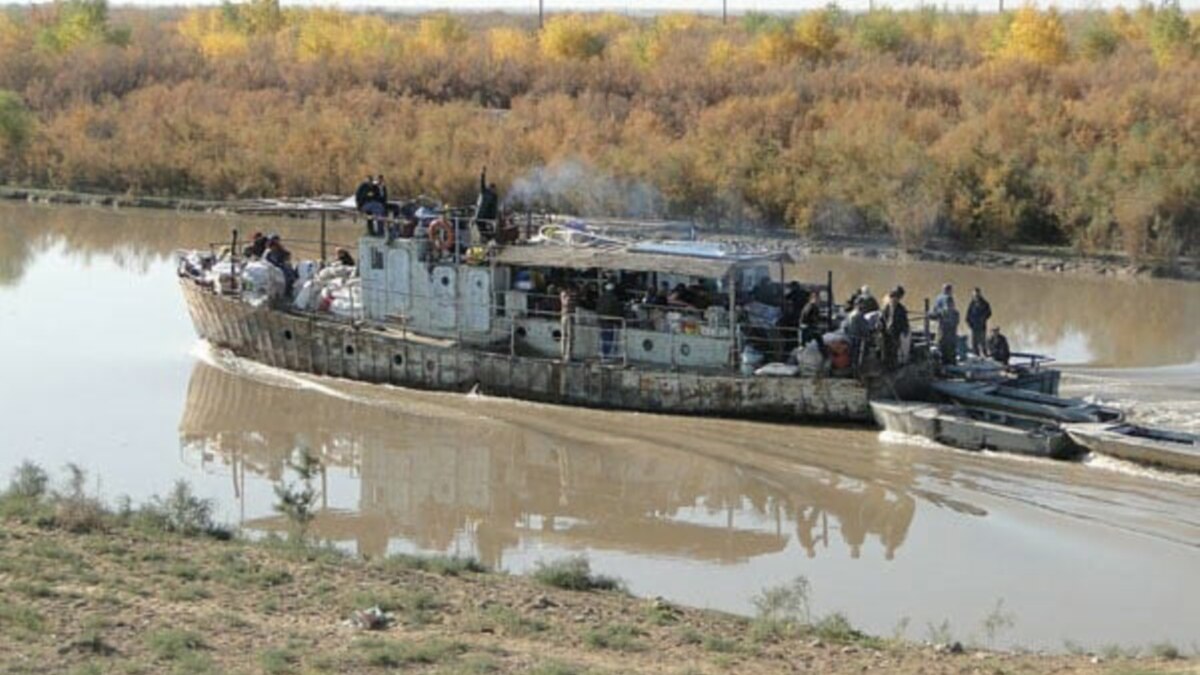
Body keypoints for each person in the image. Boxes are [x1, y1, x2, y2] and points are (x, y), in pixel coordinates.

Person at [881, 286, 910, 370]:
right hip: (885, 332)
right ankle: (885, 365)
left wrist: (905, 329)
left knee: (894, 349)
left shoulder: (901, 309)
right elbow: (882, 318)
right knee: (885, 350)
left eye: (897, 298)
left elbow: (904, 321)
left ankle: (892, 366)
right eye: (893, 297)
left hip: (895, 331)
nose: (894, 300)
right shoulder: (886, 307)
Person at [597, 282, 623, 360]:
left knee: (604, 338)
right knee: (609, 338)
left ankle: (604, 355)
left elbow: (598, 309)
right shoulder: (614, 298)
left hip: (602, 320)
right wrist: (618, 320)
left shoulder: (601, 297)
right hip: (610, 321)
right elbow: (616, 310)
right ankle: (607, 355)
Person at [841, 299, 870, 371]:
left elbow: (845, 326)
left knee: (851, 354)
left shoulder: (850, 314)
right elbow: (864, 328)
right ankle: (857, 369)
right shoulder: (859, 315)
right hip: (857, 338)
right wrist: (868, 334)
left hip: (849, 336)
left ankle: (851, 367)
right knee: (858, 355)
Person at [966, 287, 992, 356]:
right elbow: (968, 315)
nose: (976, 295)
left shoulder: (985, 303)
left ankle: (985, 355)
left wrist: (983, 318)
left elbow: (989, 313)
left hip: (982, 326)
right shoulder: (972, 303)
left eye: (977, 294)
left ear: (980, 294)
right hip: (974, 327)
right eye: (974, 294)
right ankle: (976, 356)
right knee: (974, 343)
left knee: (983, 342)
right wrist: (969, 323)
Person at [475, 167, 500, 235]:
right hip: (482, 216)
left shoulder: (495, 197)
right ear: (490, 188)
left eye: (494, 189)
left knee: (489, 232)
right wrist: (483, 174)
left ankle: (487, 239)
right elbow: (482, 183)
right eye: (493, 189)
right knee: (483, 230)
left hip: (489, 218)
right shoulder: (485, 192)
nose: (494, 190)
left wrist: (495, 217)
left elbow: (494, 208)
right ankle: (484, 238)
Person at [559, 286, 575, 363]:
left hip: (568, 315)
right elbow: (566, 303)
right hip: (566, 315)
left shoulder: (566, 295)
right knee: (566, 336)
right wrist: (569, 297)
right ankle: (565, 354)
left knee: (569, 336)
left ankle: (568, 354)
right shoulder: (564, 295)